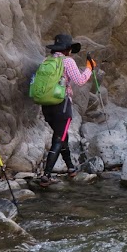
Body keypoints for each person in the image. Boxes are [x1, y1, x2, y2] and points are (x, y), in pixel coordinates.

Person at [39, 34, 95, 187]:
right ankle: (46, 175)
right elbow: (80, 80)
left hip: (46, 105)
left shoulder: (46, 60)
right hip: (61, 105)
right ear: (68, 49)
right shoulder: (67, 61)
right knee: (58, 139)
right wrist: (89, 68)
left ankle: (70, 168)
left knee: (62, 136)